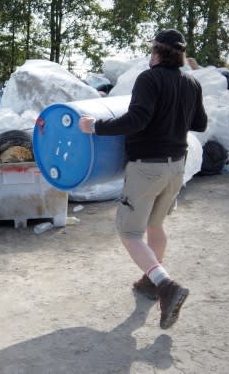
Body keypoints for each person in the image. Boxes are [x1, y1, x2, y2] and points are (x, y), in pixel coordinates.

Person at [78, 29, 207, 329]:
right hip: (177, 166)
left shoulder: (149, 79)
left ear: (157, 52)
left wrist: (95, 127)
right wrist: (175, 113)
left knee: (129, 232)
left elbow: (136, 120)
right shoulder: (191, 82)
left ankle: (165, 284)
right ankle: (151, 282)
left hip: (147, 167)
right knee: (155, 224)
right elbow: (199, 123)